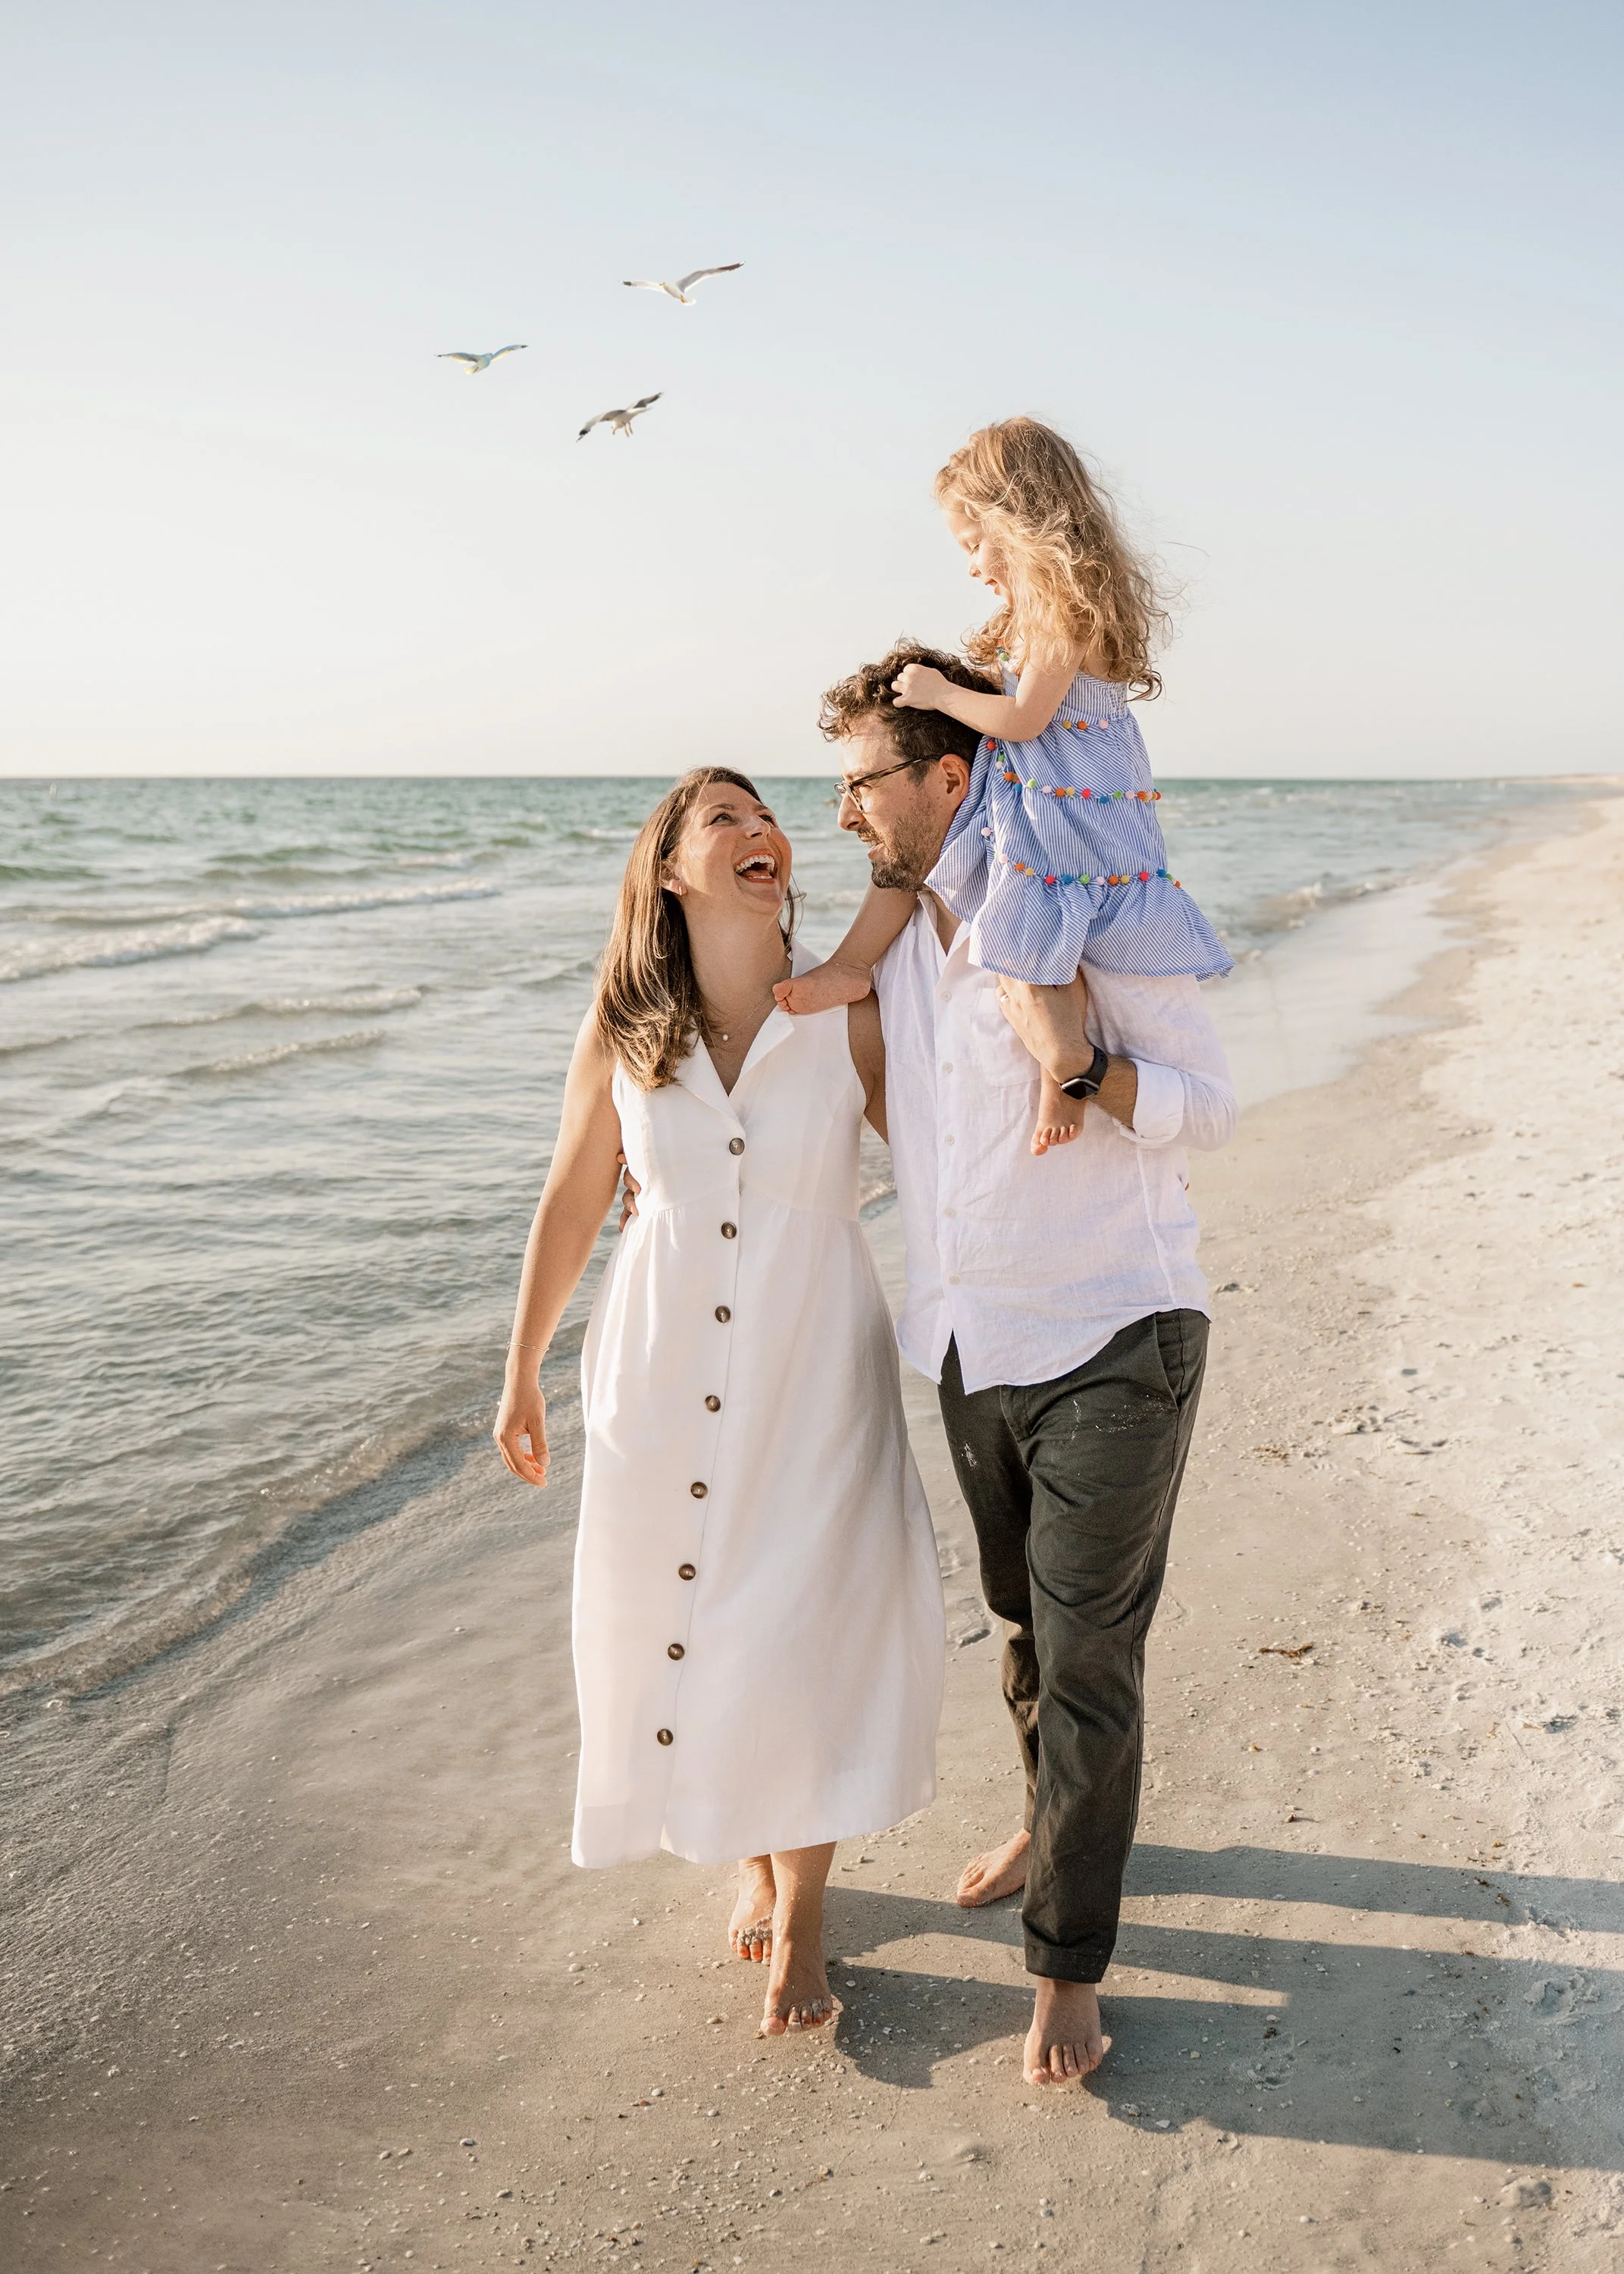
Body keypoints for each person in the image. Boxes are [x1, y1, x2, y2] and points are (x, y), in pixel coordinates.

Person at [808, 650, 1236, 2085]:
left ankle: (1067, 1964)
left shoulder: (1089, 913)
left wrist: (1079, 1071)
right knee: (1024, 1629)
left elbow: (1207, 1106)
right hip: (965, 1340)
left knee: (1089, 1659)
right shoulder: (896, 955)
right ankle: (1051, 1825)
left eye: (860, 783)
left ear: (949, 776)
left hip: (1112, 1330)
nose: (843, 812)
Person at [493, 767, 943, 2037]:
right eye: (724, 819)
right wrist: (521, 1370)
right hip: (659, 1363)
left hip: (814, 1359)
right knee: (693, 1612)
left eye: (767, 818)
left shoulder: (848, 1010)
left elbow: (941, 1159)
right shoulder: (625, 1028)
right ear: (669, 869)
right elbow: (573, 1196)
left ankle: (803, 1915)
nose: (761, 833)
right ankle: (751, 1849)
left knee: (800, 1617)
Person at [778, 418, 1231, 1154]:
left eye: (972, 543)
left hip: (1071, 804)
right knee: (984, 896)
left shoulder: (1063, 612)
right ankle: (859, 968)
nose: (969, 566)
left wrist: (938, 694)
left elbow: (1023, 719)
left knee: (1047, 928)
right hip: (1043, 792)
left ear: (1019, 522)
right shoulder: (1039, 617)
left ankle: (1064, 1069)